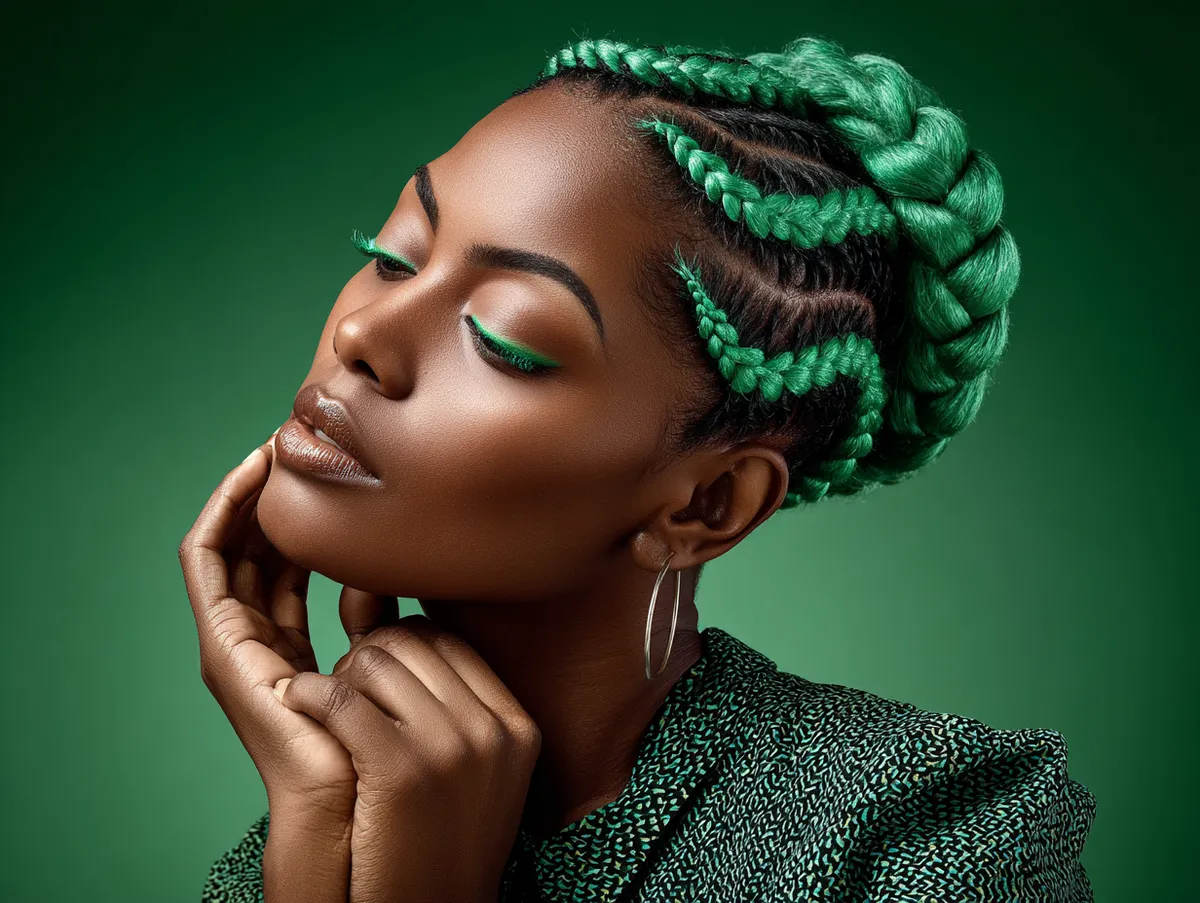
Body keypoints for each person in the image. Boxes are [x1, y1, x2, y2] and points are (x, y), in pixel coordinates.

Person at [181, 35, 1096, 902]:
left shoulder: (934, 829)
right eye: (392, 258)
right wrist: (313, 817)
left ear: (705, 503)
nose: (361, 336)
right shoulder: (329, 809)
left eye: (504, 339)